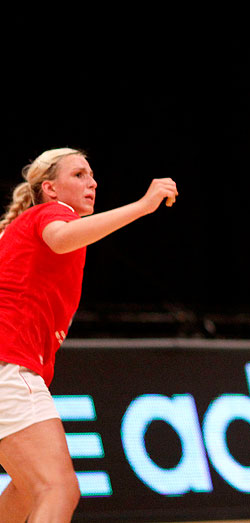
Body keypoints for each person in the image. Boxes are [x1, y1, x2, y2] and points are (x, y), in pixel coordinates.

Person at [0, 148, 177, 522]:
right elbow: (62, 238)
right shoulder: (52, 214)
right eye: (79, 174)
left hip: (11, 364)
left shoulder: (25, 225)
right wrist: (143, 206)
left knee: (27, 489)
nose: (92, 182)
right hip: (9, 364)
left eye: (92, 175)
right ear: (49, 188)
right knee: (58, 488)